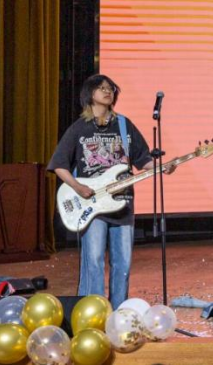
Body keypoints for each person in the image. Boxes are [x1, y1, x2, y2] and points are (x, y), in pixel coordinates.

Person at [48, 74, 166, 308]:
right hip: (92, 206)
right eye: (102, 88)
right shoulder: (79, 128)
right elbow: (59, 164)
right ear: (90, 94)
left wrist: (162, 167)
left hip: (123, 203)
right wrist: (78, 187)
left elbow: (143, 159)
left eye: (110, 88)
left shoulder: (124, 125)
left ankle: (118, 311)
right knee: (93, 261)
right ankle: (94, 311)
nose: (107, 91)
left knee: (123, 264)